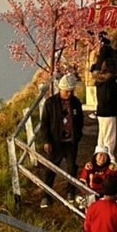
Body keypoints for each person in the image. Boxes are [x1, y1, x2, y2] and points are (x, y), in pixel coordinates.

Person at [37, 74, 84, 207]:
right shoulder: (50, 103)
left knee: (71, 167)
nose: (68, 93)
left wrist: (78, 136)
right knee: (50, 169)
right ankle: (46, 195)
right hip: (55, 142)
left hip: (71, 142)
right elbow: (44, 124)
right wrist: (46, 141)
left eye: (71, 91)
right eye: (66, 91)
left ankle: (70, 191)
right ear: (60, 89)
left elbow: (80, 121)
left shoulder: (76, 103)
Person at [92, 59, 117, 163]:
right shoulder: (110, 83)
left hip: (101, 111)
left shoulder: (99, 82)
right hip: (109, 112)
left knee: (102, 136)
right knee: (110, 137)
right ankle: (109, 158)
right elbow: (111, 97)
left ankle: (98, 156)